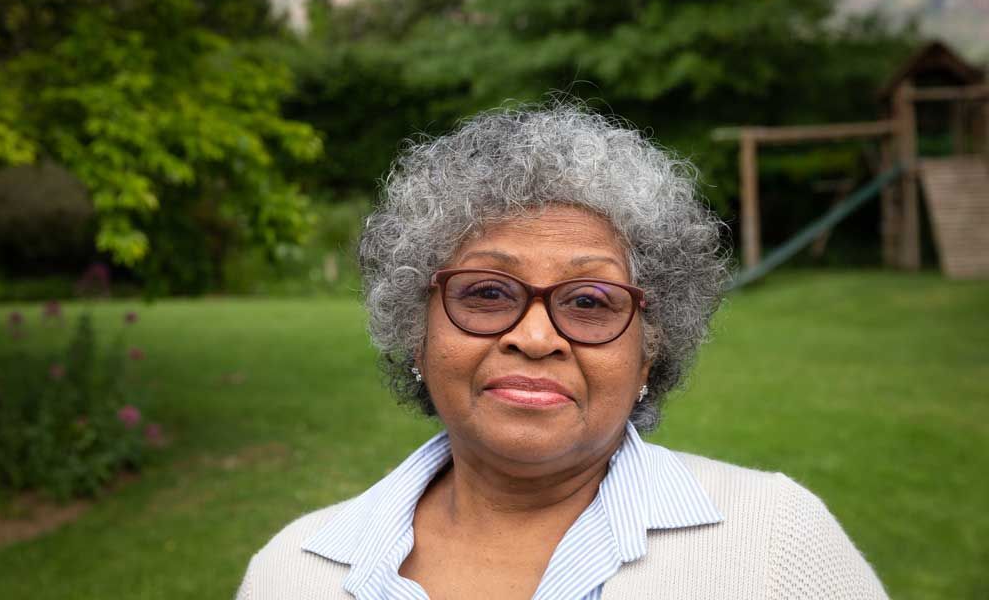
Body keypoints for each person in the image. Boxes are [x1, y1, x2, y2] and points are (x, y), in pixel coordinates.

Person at [236, 104, 887, 599]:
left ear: (648, 349)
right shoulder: (294, 573)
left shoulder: (774, 542)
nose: (536, 336)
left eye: (588, 301)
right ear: (419, 327)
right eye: (488, 292)